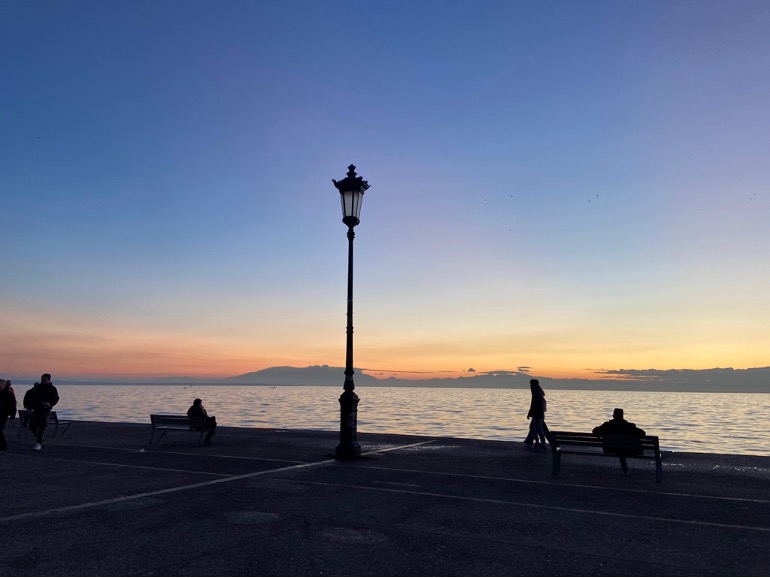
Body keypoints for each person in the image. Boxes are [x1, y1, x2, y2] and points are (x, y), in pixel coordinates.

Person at [592, 408, 646, 475]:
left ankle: (625, 470)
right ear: (622, 416)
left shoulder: (607, 425)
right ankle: (625, 470)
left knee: (620, 449)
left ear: (613, 416)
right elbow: (643, 434)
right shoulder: (630, 426)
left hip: (610, 449)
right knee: (622, 449)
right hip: (629, 450)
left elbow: (595, 431)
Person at [23, 373, 59, 451]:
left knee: (42, 426)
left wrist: (50, 404)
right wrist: (29, 404)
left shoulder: (52, 389)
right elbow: (30, 395)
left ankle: (38, 443)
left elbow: (56, 398)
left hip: (45, 410)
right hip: (36, 409)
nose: (43, 381)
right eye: (42, 379)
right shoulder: (37, 388)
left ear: (49, 380)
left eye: (45, 380)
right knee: (32, 426)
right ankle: (40, 438)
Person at [523, 379, 553, 450]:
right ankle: (533, 441)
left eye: (531, 385)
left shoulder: (535, 393)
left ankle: (541, 443)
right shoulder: (539, 392)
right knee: (533, 428)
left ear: (533, 385)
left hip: (537, 414)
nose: (530, 386)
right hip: (539, 414)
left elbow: (533, 405)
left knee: (539, 429)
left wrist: (529, 413)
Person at [0, 379, 18, 453]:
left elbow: (13, 405)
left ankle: (3, 446)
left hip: (3, 414)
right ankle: (3, 446)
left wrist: (12, 415)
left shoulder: (9, 394)